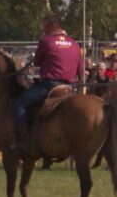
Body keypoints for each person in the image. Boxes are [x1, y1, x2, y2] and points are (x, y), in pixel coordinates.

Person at [13, 13, 83, 151]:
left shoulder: (46, 41)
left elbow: (37, 62)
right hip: (69, 87)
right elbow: (80, 69)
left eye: (45, 26)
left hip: (49, 85)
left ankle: (25, 140)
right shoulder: (75, 44)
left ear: (53, 25)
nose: (44, 30)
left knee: (19, 105)